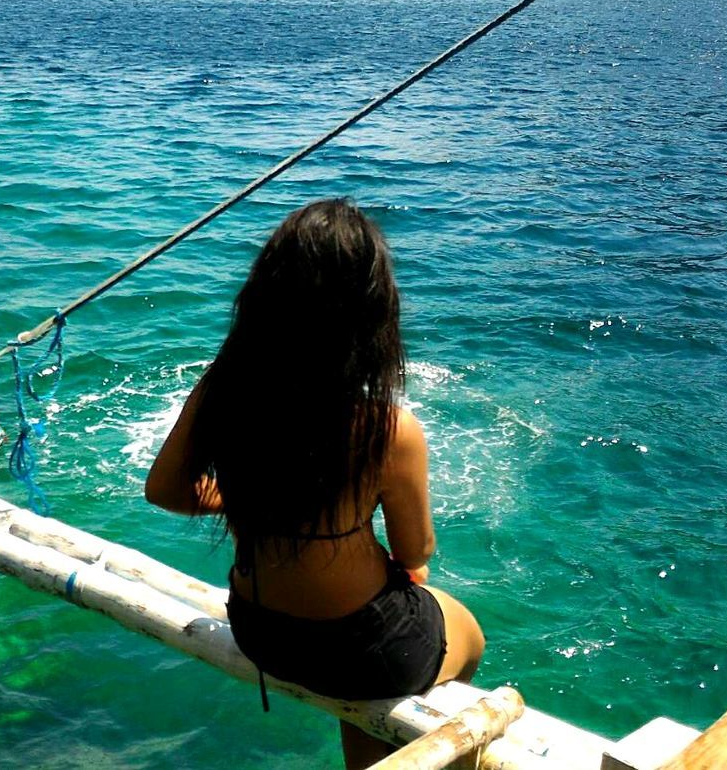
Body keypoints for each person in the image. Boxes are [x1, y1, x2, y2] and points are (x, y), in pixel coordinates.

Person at [145, 198, 484, 768]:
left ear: (264, 299)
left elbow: (167, 492)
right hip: (358, 649)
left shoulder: (222, 392)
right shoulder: (389, 429)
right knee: (467, 633)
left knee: (370, 670)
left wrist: (253, 497)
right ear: (371, 313)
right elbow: (415, 550)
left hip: (262, 631)